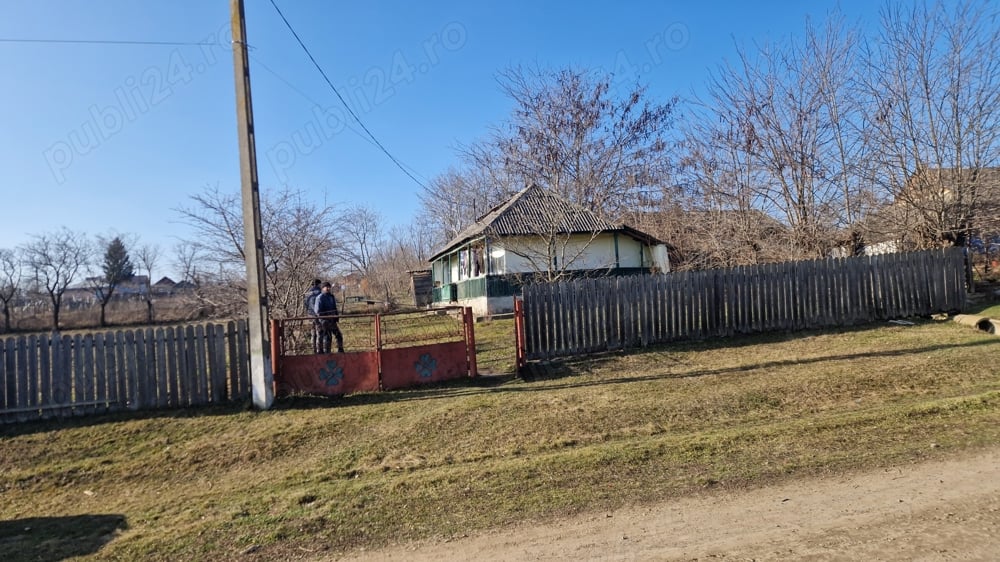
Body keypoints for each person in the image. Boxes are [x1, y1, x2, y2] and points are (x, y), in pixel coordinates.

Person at [314, 281, 344, 353]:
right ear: (322, 288)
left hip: (332, 321)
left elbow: (334, 307)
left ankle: (340, 350)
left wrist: (336, 316)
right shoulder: (320, 298)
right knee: (327, 337)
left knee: (339, 335)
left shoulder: (331, 296)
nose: (328, 288)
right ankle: (327, 353)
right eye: (326, 287)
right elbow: (318, 311)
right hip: (324, 321)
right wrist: (325, 317)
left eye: (329, 287)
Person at [304, 279, 322, 353]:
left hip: (310, 315)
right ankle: (319, 349)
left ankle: (313, 348)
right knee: (319, 332)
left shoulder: (307, 294)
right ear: (318, 284)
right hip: (318, 315)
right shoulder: (320, 293)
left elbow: (305, 305)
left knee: (312, 332)